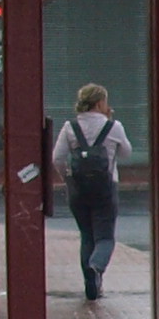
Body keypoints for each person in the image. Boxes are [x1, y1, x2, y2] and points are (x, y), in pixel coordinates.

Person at [50, 85, 130, 304]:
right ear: (99, 103)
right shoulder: (113, 126)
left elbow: (57, 158)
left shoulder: (70, 127)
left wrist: (67, 178)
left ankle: (90, 285)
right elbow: (126, 152)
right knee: (104, 236)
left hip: (78, 189)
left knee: (87, 236)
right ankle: (97, 267)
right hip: (106, 187)